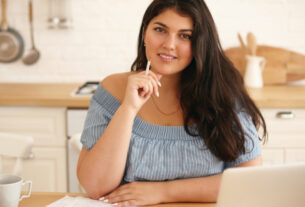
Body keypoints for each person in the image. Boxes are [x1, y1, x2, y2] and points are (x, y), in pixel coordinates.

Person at [77, 0, 267, 206]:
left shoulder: (224, 93)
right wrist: (128, 108)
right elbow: (96, 187)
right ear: (144, 33)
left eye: (185, 36)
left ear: (200, 44)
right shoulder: (113, 89)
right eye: (160, 30)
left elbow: (249, 179)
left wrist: (163, 192)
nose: (169, 44)